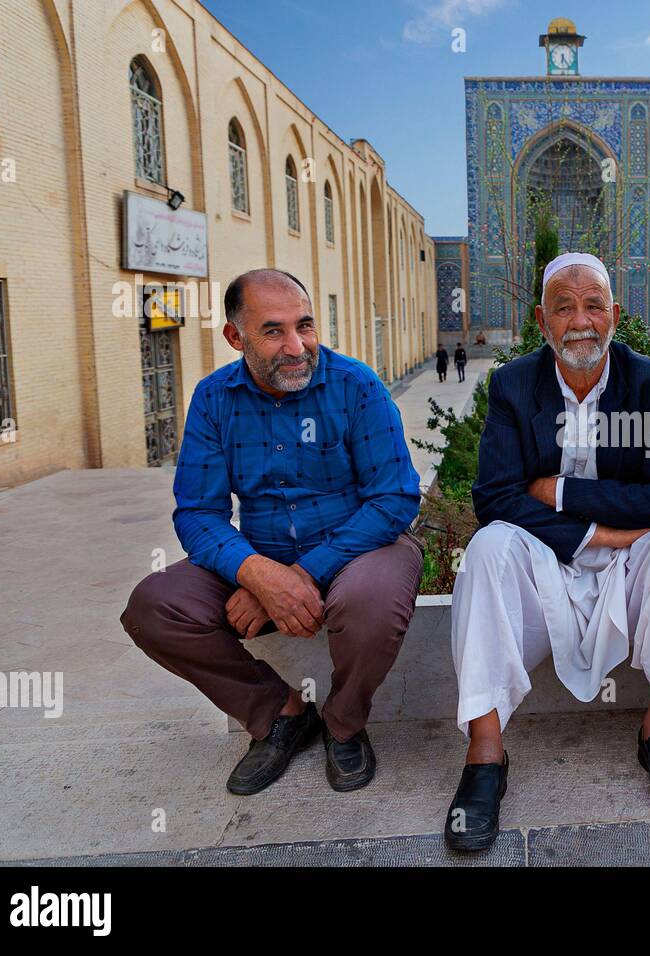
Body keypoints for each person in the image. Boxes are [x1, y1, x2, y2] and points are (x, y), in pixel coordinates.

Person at [444, 252, 650, 852]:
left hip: (630, 564)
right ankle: (486, 752)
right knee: (488, 549)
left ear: (614, 314)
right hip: (547, 558)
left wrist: (563, 490)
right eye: (564, 307)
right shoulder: (515, 385)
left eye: (593, 305)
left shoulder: (649, 384)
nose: (580, 320)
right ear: (543, 322)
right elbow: (494, 498)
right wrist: (597, 532)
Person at [121, 269, 423, 796]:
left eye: (304, 326)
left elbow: (394, 497)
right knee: (154, 607)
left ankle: (343, 724)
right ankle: (280, 712)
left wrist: (298, 576)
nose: (296, 346)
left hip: (362, 548)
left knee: (371, 601)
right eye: (274, 331)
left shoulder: (356, 386)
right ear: (235, 337)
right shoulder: (215, 399)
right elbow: (197, 512)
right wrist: (255, 572)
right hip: (263, 551)